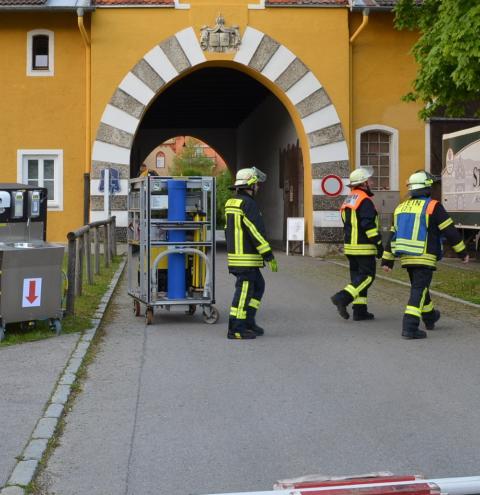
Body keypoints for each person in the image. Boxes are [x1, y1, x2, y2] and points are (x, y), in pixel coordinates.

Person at [381, 170, 469, 339]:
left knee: (421, 289)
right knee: (419, 290)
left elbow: (392, 236)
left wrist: (387, 260)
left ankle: (430, 317)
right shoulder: (432, 206)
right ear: (427, 188)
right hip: (424, 255)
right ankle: (410, 327)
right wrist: (462, 252)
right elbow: (450, 231)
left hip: (406, 257)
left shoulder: (400, 207)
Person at [224, 167, 278, 340]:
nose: (258, 188)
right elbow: (255, 231)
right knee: (244, 292)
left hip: (239, 257)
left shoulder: (232, 202)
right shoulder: (248, 204)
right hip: (245, 259)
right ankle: (236, 329)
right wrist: (268, 254)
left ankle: (248, 321)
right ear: (251, 184)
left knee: (258, 286)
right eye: (257, 184)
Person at [331, 167, 384, 320]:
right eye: (370, 180)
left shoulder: (349, 199)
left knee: (357, 279)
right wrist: (379, 244)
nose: (372, 182)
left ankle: (360, 311)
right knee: (367, 276)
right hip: (364, 247)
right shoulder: (364, 200)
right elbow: (368, 226)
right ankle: (342, 297)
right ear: (364, 183)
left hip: (350, 246)